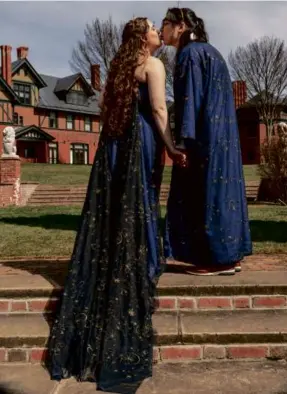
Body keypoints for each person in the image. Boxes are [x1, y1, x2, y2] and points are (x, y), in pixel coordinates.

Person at [48, 17, 185, 390]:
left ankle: (121, 257)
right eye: (153, 28)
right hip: (139, 141)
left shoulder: (120, 67)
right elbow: (159, 111)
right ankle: (142, 261)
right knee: (139, 202)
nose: (159, 32)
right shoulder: (154, 65)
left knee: (115, 209)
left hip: (113, 143)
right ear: (144, 38)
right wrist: (172, 146)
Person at [161, 8, 252, 276]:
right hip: (222, 138)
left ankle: (213, 259)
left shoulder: (190, 54)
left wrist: (183, 142)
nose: (161, 28)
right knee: (222, 195)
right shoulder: (211, 52)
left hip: (204, 138)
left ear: (180, 26)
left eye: (166, 23)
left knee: (205, 195)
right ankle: (228, 257)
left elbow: (191, 100)